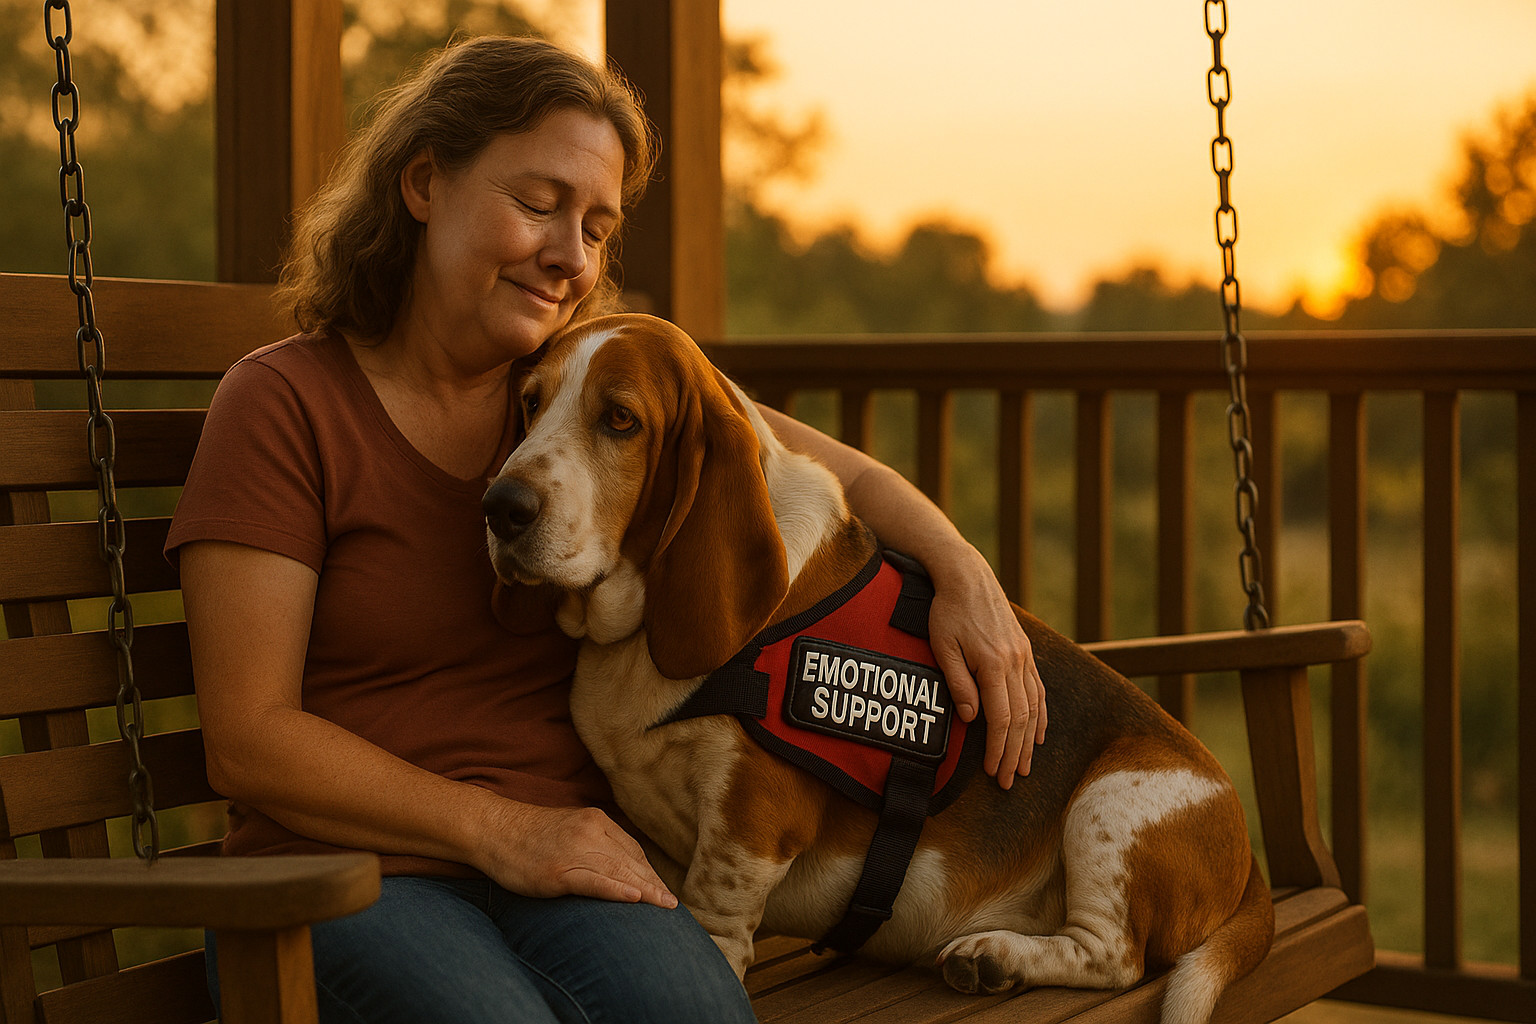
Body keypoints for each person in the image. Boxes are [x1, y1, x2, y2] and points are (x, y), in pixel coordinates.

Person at [167, 33, 1047, 1024]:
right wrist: (505, 830)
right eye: (539, 205)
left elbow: (836, 473)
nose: (570, 255)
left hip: (571, 859)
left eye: (596, 226)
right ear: (423, 183)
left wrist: (962, 569)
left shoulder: (576, 389)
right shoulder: (284, 403)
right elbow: (248, 740)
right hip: (336, 877)